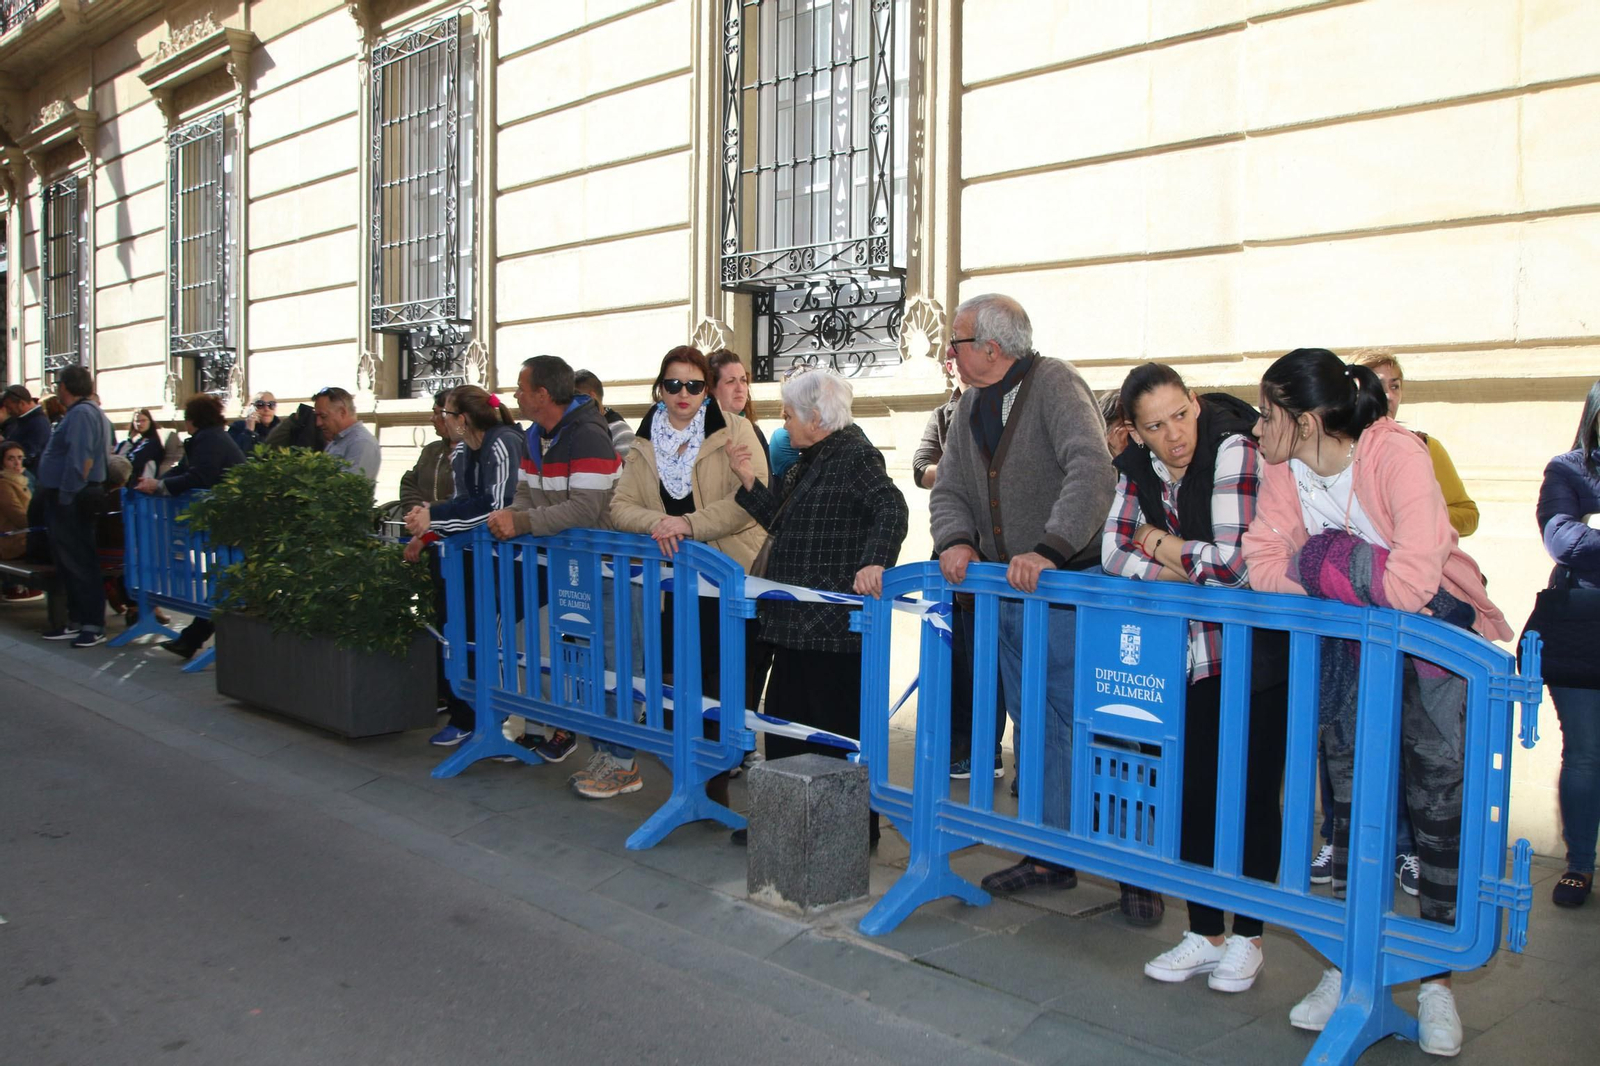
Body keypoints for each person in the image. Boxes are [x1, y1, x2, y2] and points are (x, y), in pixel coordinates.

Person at [1241, 347, 1511, 1057]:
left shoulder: (1397, 455)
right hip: (1350, 662)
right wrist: (1333, 563)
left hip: (1433, 658)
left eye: (1267, 414)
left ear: (1302, 421)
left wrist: (1321, 555)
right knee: (1353, 812)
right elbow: (1261, 567)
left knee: (1436, 813)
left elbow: (1414, 586)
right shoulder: (1280, 467)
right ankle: (1347, 966)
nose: (1256, 428)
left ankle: (1434, 984)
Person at [927, 294, 1159, 924]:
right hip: (1012, 598)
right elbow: (948, 488)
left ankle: (1133, 867)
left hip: (1069, 589)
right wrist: (955, 540)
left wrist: (1050, 550)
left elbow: (1092, 470)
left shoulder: (1055, 383)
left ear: (993, 349)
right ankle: (1049, 853)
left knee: (1105, 724)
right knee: (1039, 726)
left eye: (957, 341)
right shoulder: (969, 405)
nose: (950, 352)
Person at [1102, 363, 1289, 989]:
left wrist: (1156, 543)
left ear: (1196, 403)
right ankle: (1204, 932)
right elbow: (1110, 552)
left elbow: (1236, 566)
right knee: (1193, 794)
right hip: (1187, 658)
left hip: (1258, 655)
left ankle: (1250, 936)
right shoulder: (1135, 469)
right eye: (1156, 426)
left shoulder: (1236, 447)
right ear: (1136, 430)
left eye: (1181, 415)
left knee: (1255, 795)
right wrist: (1182, 562)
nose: (1175, 435)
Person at [727, 367, 909, 846]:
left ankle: (841, 834)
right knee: (786, 731)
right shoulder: (811, 458)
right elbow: (783, 525)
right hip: (795, 623)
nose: (784, 425)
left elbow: (892, 509)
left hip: (832, 630)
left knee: (833, 736)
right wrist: (749, 481)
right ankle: (783, 823)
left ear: (816, 417)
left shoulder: (855, 456)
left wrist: (875, 563)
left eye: (788, 415)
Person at [601, 347, 770, 801]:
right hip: (673, 583)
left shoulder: (735, 430)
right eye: (673, 384)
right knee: (679, 682)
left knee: (723, 683)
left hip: (729, 574)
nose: (683, 394)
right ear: (660, 389)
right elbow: (620, 506)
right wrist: (658, 523)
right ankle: (691, 783)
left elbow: (749, 501)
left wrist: (688, 523)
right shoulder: (644, 442)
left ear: (705, 391)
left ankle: (714, 786)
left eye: (694, 385)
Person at [403, 385, 528, 747]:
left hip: (503, 564)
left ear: (463, 419)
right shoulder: (461, 452)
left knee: (492, 639)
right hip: (469, 561)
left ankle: (494, 721)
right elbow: (460, 503)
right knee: (461, 635)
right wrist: (427, 527)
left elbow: (498, 506)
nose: (439, 418)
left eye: (444, 413)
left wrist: (434, 518)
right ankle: (467, 717)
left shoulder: (504, 442)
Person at [913, 354, 1006, 780]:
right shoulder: (942, 414)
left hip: (992, 556)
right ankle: (959, 746)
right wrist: (956, 471)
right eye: (952, 360)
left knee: (989, 659)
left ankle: (988, 751)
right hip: (950, 550)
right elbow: (920, 468)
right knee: (953, 659)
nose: (959, 367)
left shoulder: (1008, 408)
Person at [1536, 378, 1600, 908]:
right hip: (1585, 631)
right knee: (1584, 753)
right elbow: (1564, 539)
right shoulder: (1569, 469)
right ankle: (1581, 864)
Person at [134, 393, 248, 661]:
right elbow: (184, 469)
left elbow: (200, 475)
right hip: (231, 522)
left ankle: (195, 640)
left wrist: (160, 486)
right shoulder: (209, 437)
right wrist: (159, 483)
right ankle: (191, 639)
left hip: (232, 522)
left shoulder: (210, 439)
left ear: (192, 420)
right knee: (227, 582)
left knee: (230, 582)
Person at [1352, 351, 1477, 538]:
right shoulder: (1334, 448)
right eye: (1377, 386)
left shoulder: (1423, 446)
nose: (1388, 396)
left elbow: (1469, 517)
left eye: (1395, 386)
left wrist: (1422, 514)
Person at [35, 366, 110, 647]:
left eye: (58, 384)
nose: (56, 389)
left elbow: (81, 461)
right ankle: (77, 621)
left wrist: (66, 495)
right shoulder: (85, 412)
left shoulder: (81, 414)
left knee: (80, 562)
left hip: (72, 497)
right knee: (70, 563)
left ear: (65, 386)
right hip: (71, 496)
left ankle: (92, 623)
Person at [397, 389, 457, 511]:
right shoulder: (431, 450)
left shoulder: (475, 452)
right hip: (423, 525)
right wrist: (416, 509)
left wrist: (430, 511)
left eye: (436, 413)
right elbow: (409, 482)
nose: (432, 419)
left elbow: (464, 498)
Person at [707, 349, 769, 456]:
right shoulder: (701, 433)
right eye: (731, 381)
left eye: (743, 380)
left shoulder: (755, 432)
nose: (740, 388)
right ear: (712, 388)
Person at [313, 387, 381, 483]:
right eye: (317, 416)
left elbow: (351, 488)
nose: (318, 423)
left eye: (323, 416)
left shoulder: (361, 442)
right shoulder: (336, 441)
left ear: (342, 412)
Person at [573, 369, 635, 458]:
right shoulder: (571, 427)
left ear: (591, 397)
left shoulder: (620, 431)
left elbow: (627, 470)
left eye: (576, 400)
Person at [2, 383, 51, 477]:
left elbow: (28, 454)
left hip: (30, 479)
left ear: (21, 404)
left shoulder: (38, 423)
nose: (8, 411)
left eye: (9, 407)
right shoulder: (22, 420)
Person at [0, 440, 30, 563]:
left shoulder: (21, 481)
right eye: (11, 459)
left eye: (20, 457)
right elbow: (18, 516)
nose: (17, 463)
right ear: (2, 463)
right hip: (13, 542)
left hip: (25, 536)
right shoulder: (3, 485)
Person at [123, 410, 166, 482]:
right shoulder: (138, 441)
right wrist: (130, 440)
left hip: (141, 483)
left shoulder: (152, 442)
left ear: (150, 422)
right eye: (137, 421)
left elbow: (132, 462)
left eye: (143, 420)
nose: (139, 424)